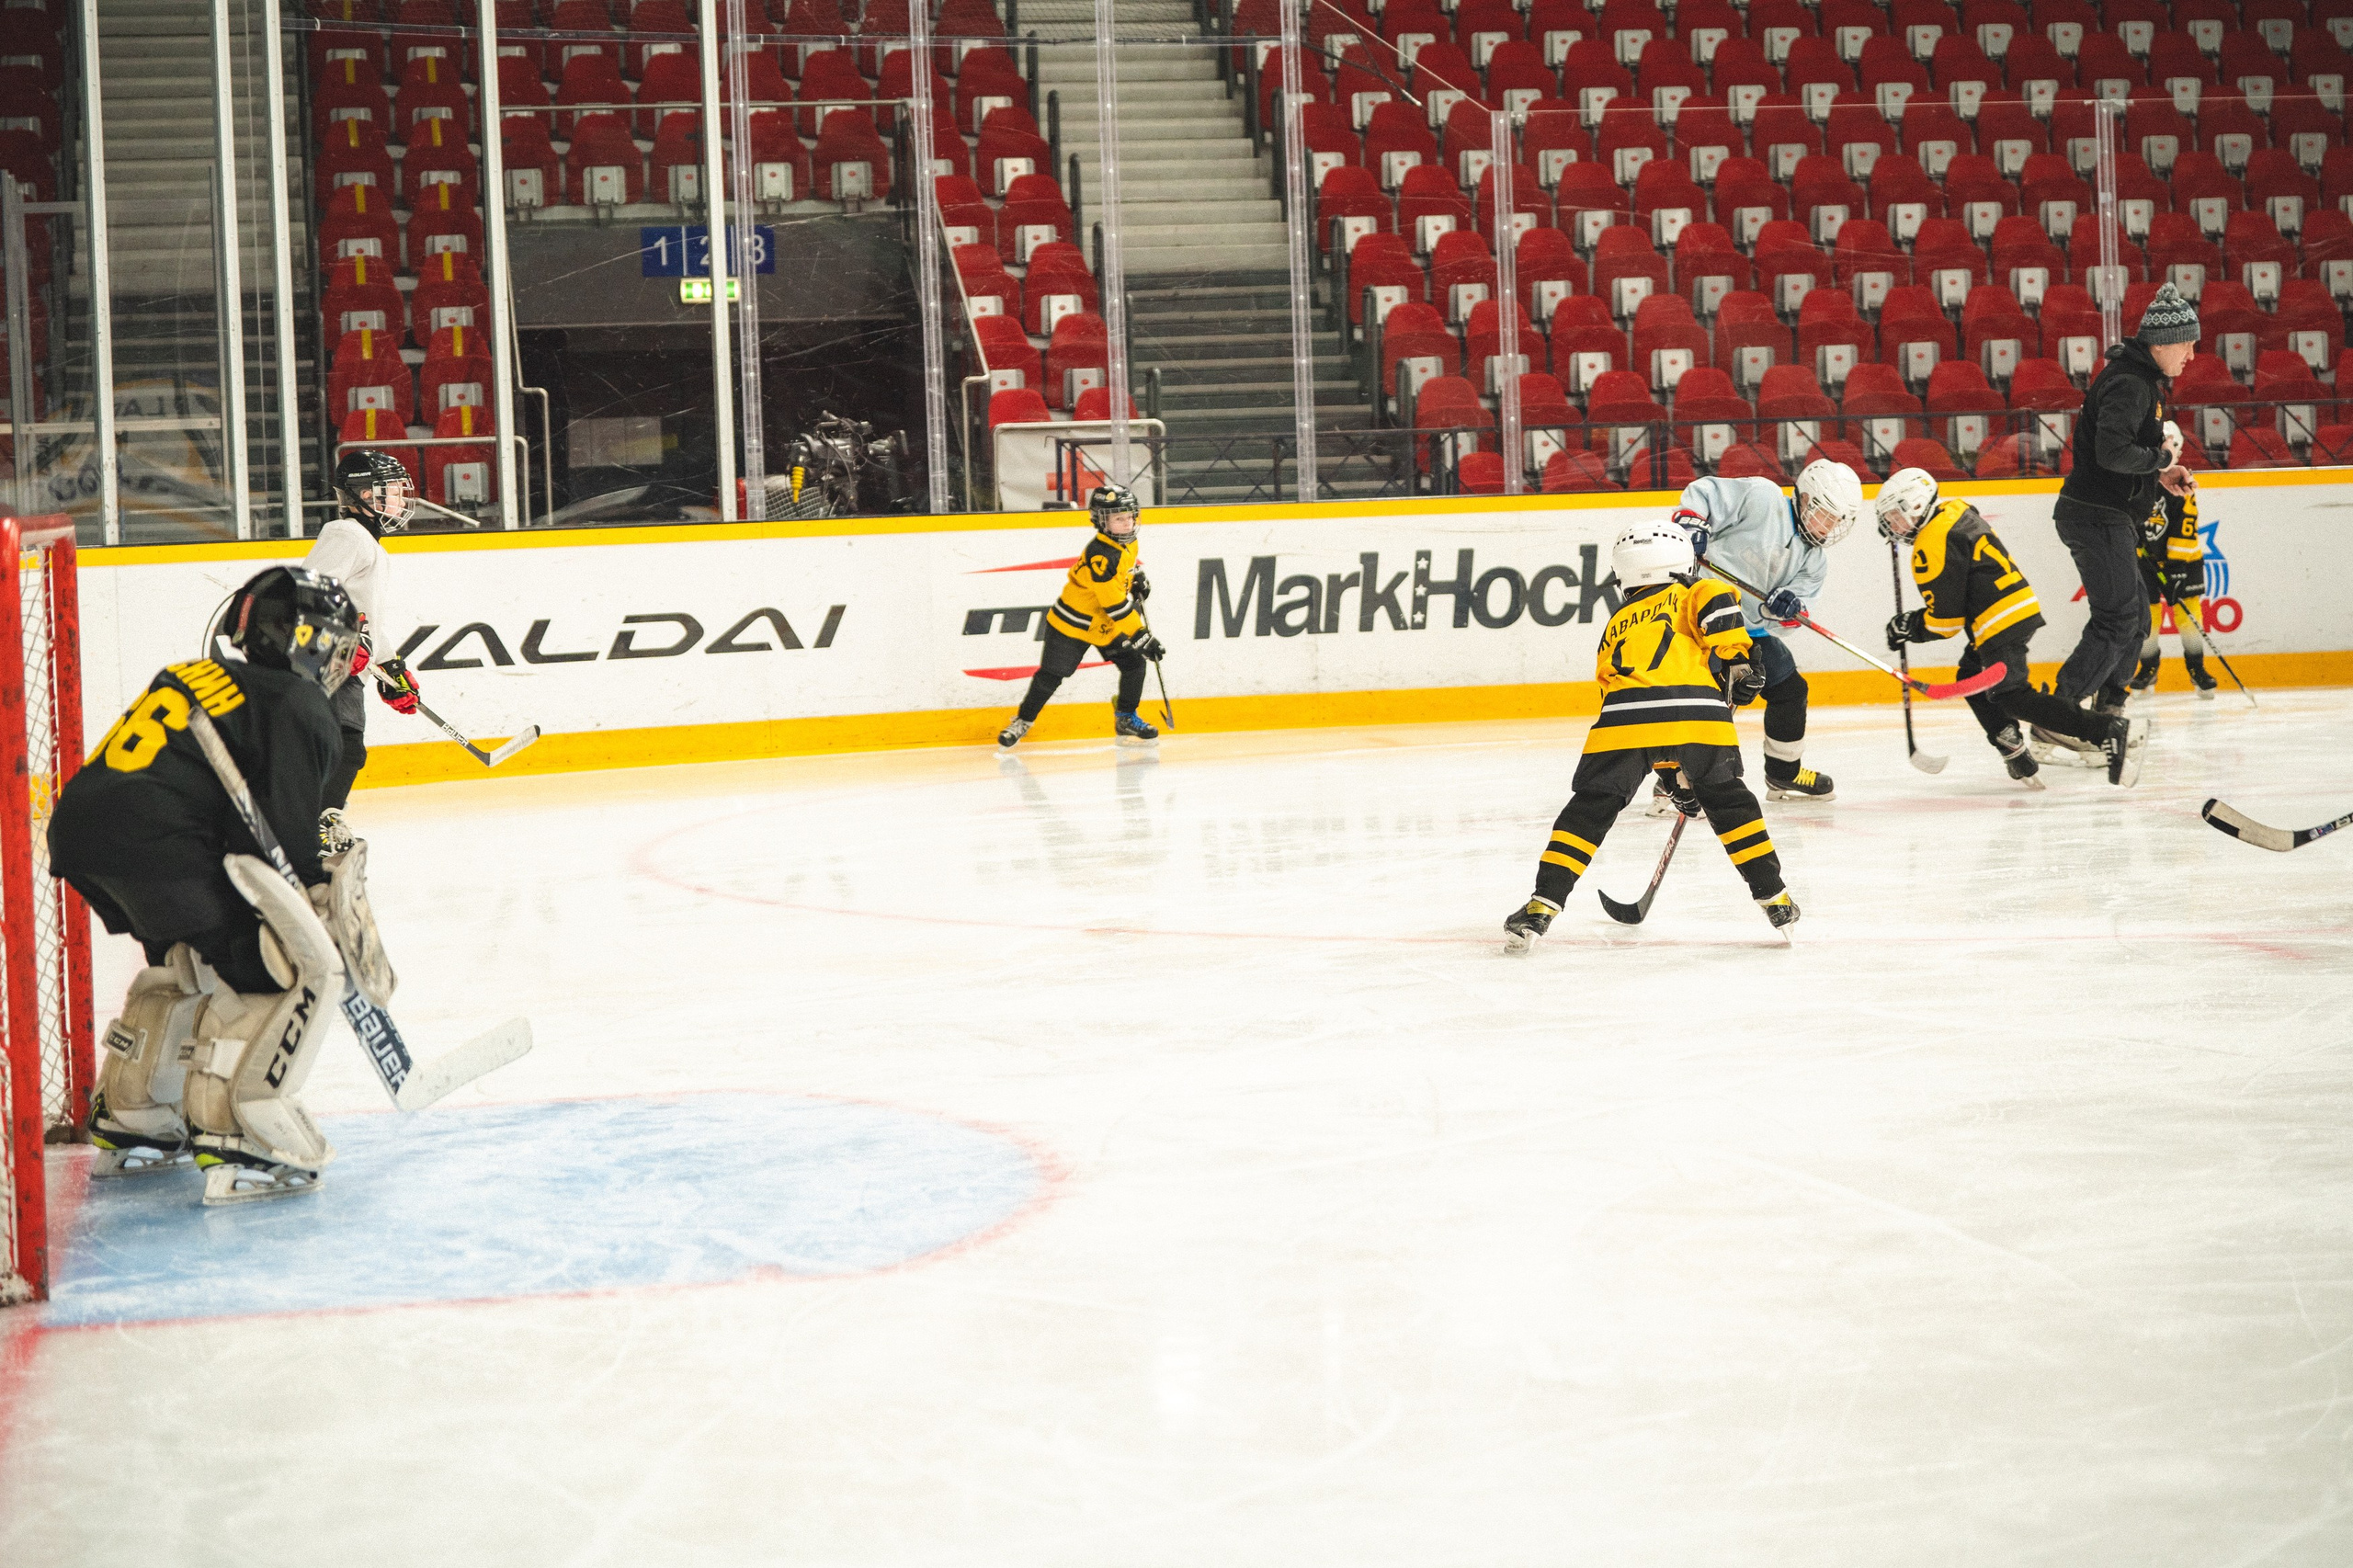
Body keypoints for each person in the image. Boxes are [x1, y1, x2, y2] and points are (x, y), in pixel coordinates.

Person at [50, 567, 385, 1205]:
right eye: (335, 644)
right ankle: (239, 1127)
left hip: (82, 832)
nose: (339, 660)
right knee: (278, 965)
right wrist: (319, 900)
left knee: (185, 965)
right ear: (304, 638)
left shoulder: (197, 674)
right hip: (160, 839)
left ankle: (136, 1111)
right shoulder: (299, 704)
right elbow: (281, 845)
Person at [1502, 519, 1799, 952]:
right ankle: (1775, 897)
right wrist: (1737, 658)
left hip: (1621, 721)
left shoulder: (1617, 622)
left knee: (1587, 812)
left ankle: (1542, 905)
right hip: (1698, 715)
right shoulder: (1694, 591)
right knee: (1731, 805)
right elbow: (1718, 602)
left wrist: (1672, 773)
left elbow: (1636, 707)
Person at [1875, 468, 2147, 788]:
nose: (1891, 527)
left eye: (1895, 517)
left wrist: (1909, 627)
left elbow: (1945, 624)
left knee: (2013, 697)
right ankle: (2011, 745)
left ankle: (2105, 730)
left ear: (1917, 506)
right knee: (1970, 677)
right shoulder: (1955, 512)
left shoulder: (1930, 544)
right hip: (2018, 607)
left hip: (1996, 623)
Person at [1664, 458, 1866, 803]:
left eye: (1836, 520)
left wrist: (1785, 610)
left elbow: (1790, 619)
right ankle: (1674, 778)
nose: (1829, 527)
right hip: (1703, 616)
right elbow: (1705, 492)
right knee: (1708, 696)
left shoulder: (1814, 560)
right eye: (1825, 514)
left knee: (1790, 689)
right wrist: (1693, 523)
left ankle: (1783, 772)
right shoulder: (1763, 497)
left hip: (1749, 630)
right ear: (1805, 499)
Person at [2048, 282, 2200, 722]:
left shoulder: (2139, 380)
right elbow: (2112, 453)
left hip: (2105, 514)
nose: (2191, 356)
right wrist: (2162, 458)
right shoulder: (2131, 384)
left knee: (2136, 620)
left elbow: (2118, 454)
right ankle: (2058, 714)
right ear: (2163, 343)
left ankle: (2109, 711)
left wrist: (2158, 474)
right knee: (2117, 619)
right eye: (2187, 345)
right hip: (2096, 516)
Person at [303, 449, 426, 848]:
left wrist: (391, 666)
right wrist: (342, 636)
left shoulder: (369, 544)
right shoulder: (347, 534)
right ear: (365, 495)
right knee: (341, 749)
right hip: (325, 661)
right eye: (392, 491)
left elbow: (365, 618)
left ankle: (318, 821)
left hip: (344, 665)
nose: (401, 499)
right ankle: (315, 826)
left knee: (346, 750)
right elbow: (310, 591)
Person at [997, 483, 1165, 749]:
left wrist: (1134, 579)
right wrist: (1140, 635)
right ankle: (1023, 721)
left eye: (1129, 516)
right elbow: (1114, 605)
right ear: (1102, 521)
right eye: (1118, 519)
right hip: (1073, 624)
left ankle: (1125, 717)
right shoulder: (1102, 554)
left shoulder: (1128, 542)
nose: (1127, 523)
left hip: (1105, 625)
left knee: (1134, 664)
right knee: (1051, 676)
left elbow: (1119, 578)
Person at [2128, 474, 2220, 699]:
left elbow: (2187, 521)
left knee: (2188, 615)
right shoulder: (2134, 476)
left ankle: (2196, 667)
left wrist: (2176, 565)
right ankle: (2149, 666)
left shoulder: (2179, 479)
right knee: (2146, 615)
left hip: (2185, 560)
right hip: (2145, 559)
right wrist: (2135, 543)